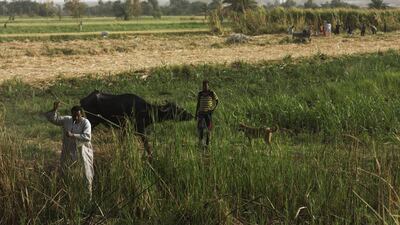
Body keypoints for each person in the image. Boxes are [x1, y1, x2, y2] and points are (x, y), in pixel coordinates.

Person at [45, 101, 94, 198]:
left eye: (78, 116)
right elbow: (53, 119)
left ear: (81, 115)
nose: (76, 118)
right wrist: (55, 109)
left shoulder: (85, 122)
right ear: (72, 114)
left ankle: (88, 197)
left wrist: (73, 135)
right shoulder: (67, 120)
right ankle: (69, 196)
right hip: (68, 151)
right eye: (74, 115)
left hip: (82, 152)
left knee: (86, 174)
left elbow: (87, 137)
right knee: (66, 172)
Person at [195, 80, 219, 147]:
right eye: (203, 85)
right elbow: (198, 104)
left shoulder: (211, 93)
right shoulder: (200, 93)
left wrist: (213, 109)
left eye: (206, 85)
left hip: (208, 113)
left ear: (208, 85)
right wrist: (196, 113)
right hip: (201, 113)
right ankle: (201, 142)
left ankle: (208, 143)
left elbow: (217, 101)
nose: (204, 87)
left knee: (209, 128)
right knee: (201, 128)